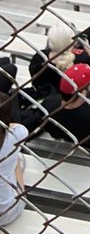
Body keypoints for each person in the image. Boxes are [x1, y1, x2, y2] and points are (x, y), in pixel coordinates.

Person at [0, 92, 27, 226]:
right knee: (18, 158)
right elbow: (15, 126)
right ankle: (20, 190)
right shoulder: (18, 133)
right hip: (7, 211)